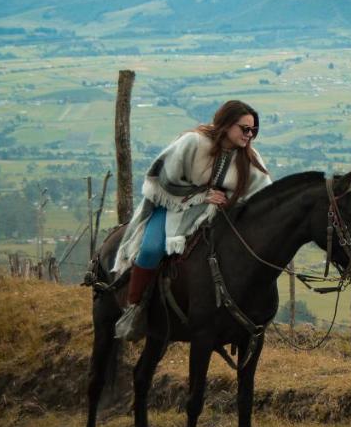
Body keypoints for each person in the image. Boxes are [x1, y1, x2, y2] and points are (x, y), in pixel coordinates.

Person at [111, 100, 272, 340]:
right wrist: (201, 195)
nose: (250, 135)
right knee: (151, 250)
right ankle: (134, 309)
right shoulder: (194, 143)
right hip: (171, 206)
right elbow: (164, 179)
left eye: (253, 130)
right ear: (227, 124)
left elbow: (263, 193)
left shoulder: (248, 157)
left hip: (214, 215)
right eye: (244, 128)